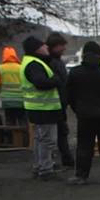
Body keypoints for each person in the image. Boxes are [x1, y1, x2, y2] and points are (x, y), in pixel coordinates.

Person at [65, 42, 100, 185]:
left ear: (84, 55)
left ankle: (81, 176)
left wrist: (77, 108)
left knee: (84, 145)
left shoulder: (75, 73)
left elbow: (68, 95)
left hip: (84, 115)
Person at [21, 36, 63, 181]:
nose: (47, 48)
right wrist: (57, 80)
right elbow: (41, 82)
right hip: (43, 108)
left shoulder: (30, 62)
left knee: (40, 139)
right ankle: (46, 169)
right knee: (47, 140)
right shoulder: (35, 64)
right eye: (44, 46)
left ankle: (39, 166)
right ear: (37, 49)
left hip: (36, 107)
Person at [45, 32, 75, 169]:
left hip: (59, 103)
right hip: (53, 104)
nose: (64, 49)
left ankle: (65, 159)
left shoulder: (56, 62)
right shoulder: (51, 63)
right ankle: (56, 160)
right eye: (61, 46)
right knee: (55, 134)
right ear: (54, 46)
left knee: (61, 132)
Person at [0, 46, 25, 127]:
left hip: (7, 101)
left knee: (10, 122)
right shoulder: (21, 67)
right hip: (21, 100)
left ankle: (10, 139)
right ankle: (24, 139)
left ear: (4, 55)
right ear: (15, 55)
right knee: (22, 122)